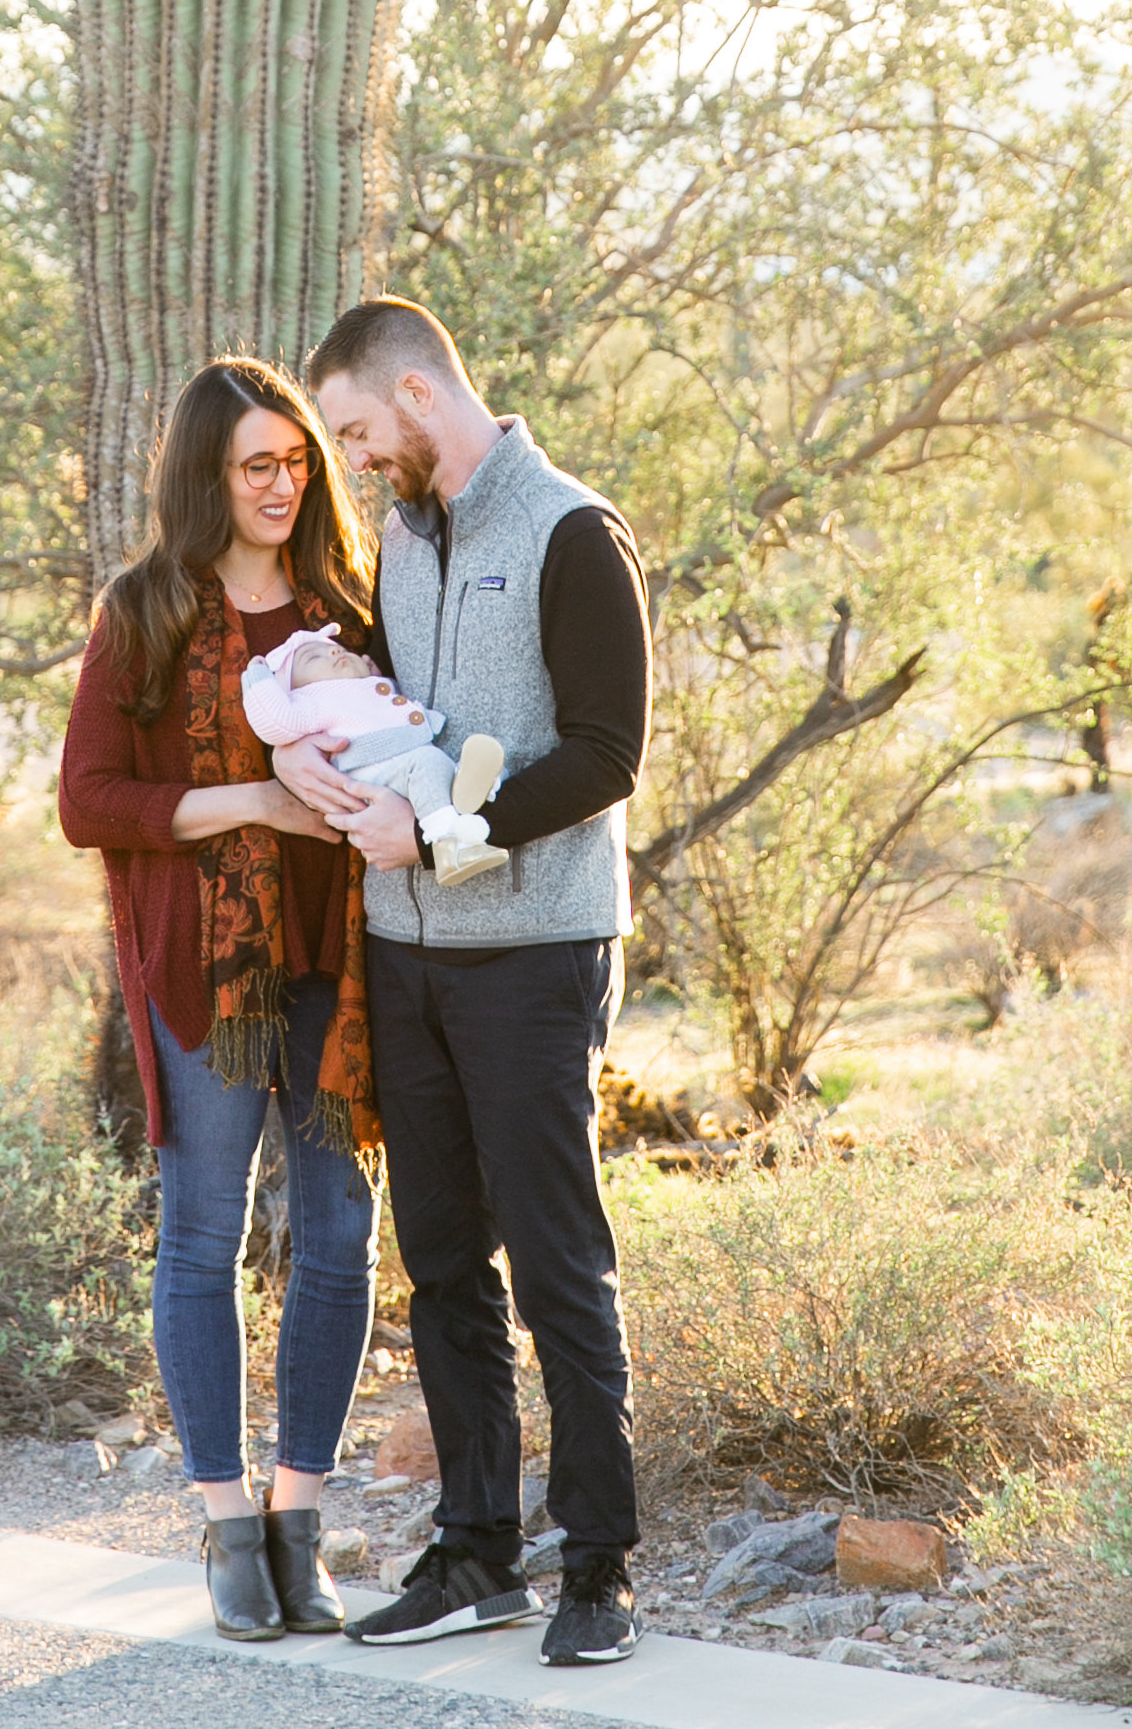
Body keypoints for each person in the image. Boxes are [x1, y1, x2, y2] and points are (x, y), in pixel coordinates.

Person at [287, 296, 651, 1672]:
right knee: (441, 1258)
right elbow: (417, 722)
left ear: (421, 398)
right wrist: (332, 742)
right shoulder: (403, 538)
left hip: (535, 954)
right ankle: (478, 1550)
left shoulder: (570, 529)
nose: (359, 458)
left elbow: (608, 751)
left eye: (362, 430)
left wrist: (446, 834)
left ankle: (599, 1565)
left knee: (558, 1258)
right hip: (409, 957)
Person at [57, 357, 383, 1644]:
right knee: (202, 1238)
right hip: (206, 970)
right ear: (208, 475)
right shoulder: (142, 612)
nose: (284, 482)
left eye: (297, 459)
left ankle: (298, 1516)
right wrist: (254, 800)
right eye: (258, 463)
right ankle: (223, 1521)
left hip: (342, 963)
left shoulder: (347, 604)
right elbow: (88, 801)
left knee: (340, 1232)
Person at [240, 625, 509, 884]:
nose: (333, 652)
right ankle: (448, 845)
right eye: (313, 657)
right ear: (292, 689)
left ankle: (475, 790)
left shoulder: (366, 685)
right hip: (366, 768)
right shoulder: (309, 702)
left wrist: (372, 672)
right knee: (427, 764)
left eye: (335, 648)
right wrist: (257, 678)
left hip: (396, 759)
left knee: (447, 767)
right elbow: (274, 720)